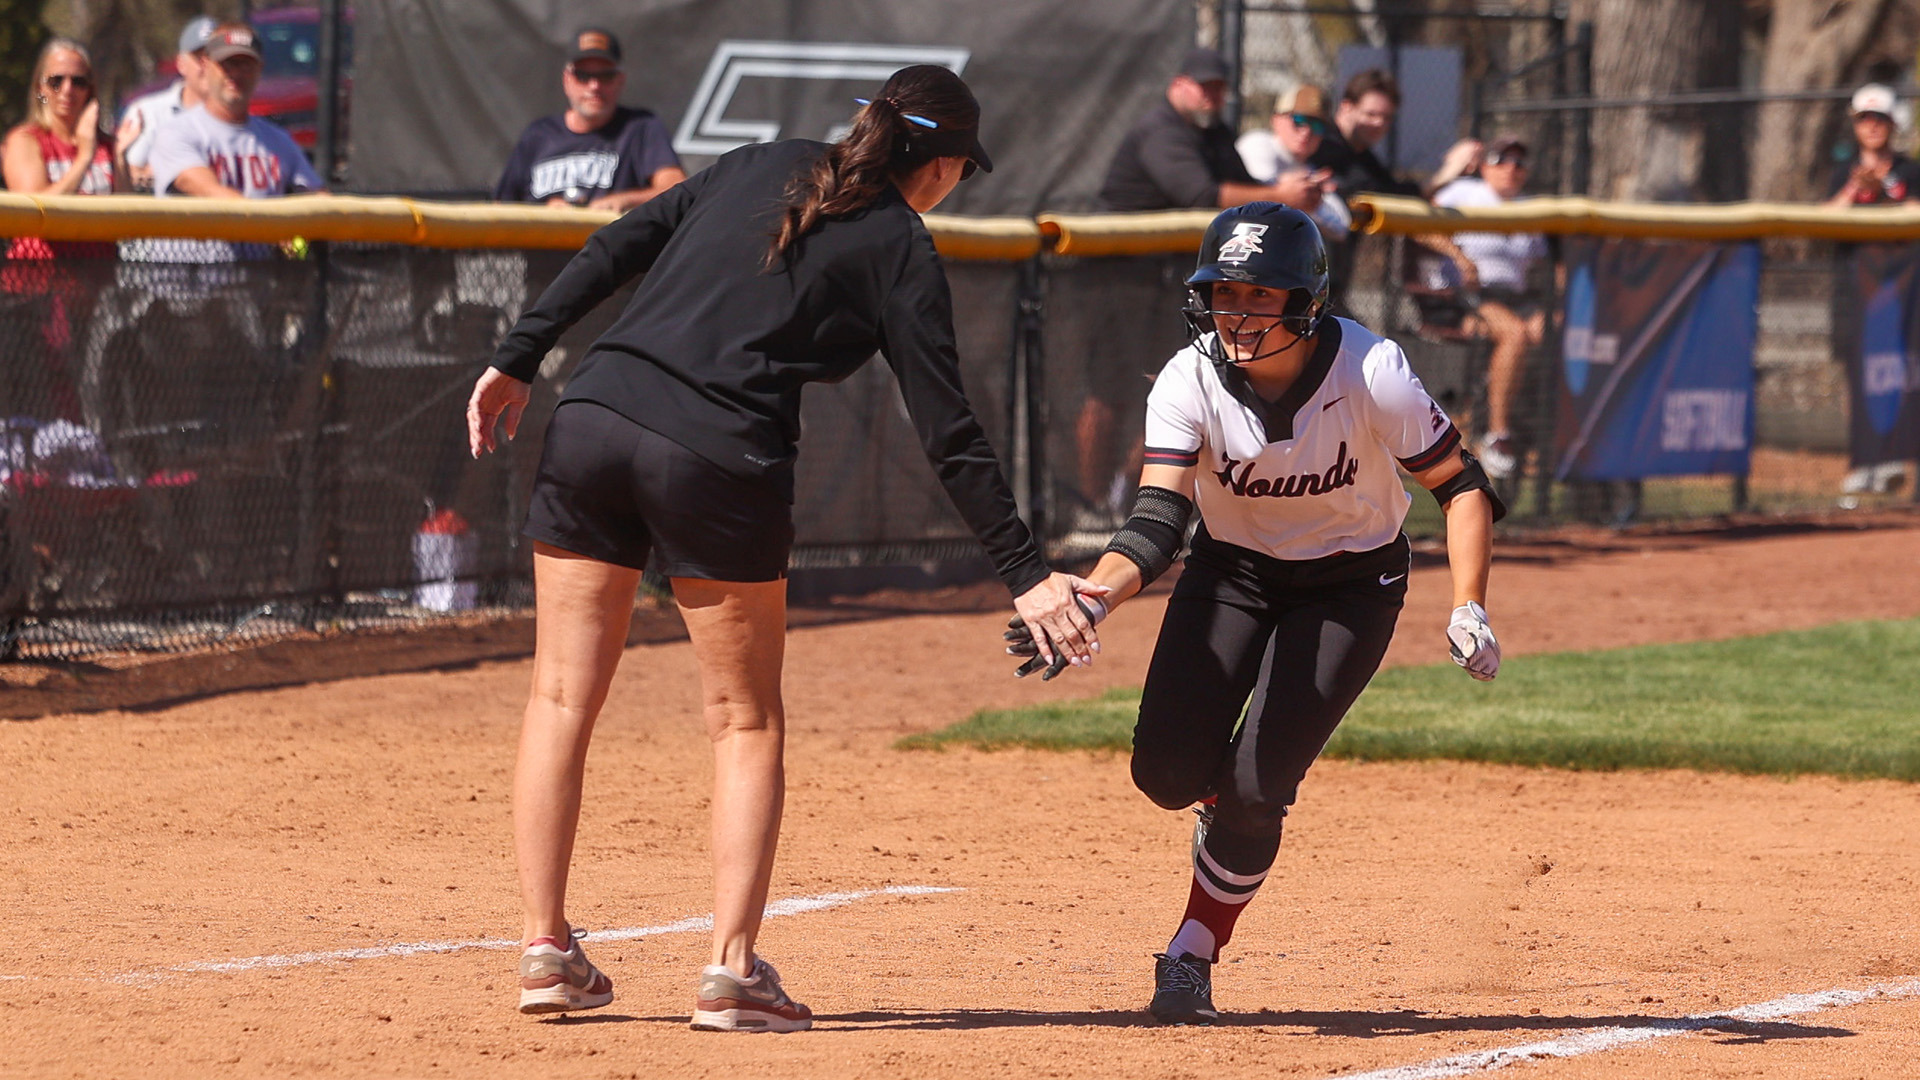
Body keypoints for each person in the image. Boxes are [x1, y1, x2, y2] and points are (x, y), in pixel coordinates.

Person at [466, 64, 1101, 1029]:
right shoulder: (901, 243)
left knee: (559, 693)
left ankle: (544, 950)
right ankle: (730, 970)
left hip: (593, 418)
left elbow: (617, 243)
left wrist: (518, 356)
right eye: (959, 169)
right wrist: (1024, 572)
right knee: (744, 721)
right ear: (934, 165)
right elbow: (949, 431)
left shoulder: (760, 163)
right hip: (717, 457)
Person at [1003, 203, 1502, 1025]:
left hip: (1351, 586)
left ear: (1307, 300)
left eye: (1260, 296)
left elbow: (1460, 483)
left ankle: (1191, 953)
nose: (1238, 315)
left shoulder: (1370, 369)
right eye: (1223, 294)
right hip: (1232, 573)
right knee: (1162, 776)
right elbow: (1159, 522)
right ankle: (1224, 814)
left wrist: (1469, 605)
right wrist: (1096, 595)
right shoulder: (1188, 376)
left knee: (1256, 786)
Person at [1419, 136, 1548, 477]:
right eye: (1501, 160)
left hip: (1517, 297)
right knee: (1515, 334)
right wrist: (1458, 256)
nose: (1511, 168)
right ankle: (1498, 434)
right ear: (1484, 166)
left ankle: (1539, 429)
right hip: (1466, 297)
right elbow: (1419, 227)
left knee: (1550, 329)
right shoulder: (1464, 193)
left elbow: (1548, 265)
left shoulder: (1530, 206)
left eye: (1519, 162)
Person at [1100, 47, 1327, 213]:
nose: (1213, 96)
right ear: (1178, 85)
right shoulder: (1159, 130)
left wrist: (1296, 190)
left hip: (1171, 254)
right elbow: (1201, 196)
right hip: (1123, 255)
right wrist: (1280, 196)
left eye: (1219, 88)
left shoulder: (1215, 130)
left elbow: (1244, 185)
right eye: (1205, 87)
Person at [494, 28, 686, 209]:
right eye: (583, 76)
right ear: (567, 80)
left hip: (610, 240)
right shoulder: (538, 134)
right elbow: (501, 207)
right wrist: (545, 212)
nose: (594, 86)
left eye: (606, 76)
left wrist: (625, 201)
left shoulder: (641, 127)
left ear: (620, 80)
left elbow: (676, 190)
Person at [1309, 68, 1481, 202]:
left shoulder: (1362, 154)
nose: (1379, 123)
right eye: (1371, 114)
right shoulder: (1324, 143)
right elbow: (1373, 194)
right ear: (1346, 107)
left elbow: (1390, 188)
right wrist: (1445, 175)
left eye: (1387, 117)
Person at [2, 37, 116, 205]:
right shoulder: (24, 141)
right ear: (40, 88)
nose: (67, 90)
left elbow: (130, 219)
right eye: (56, 81)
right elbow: (35, 212)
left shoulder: (106, 145)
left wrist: (119, 155)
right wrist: (84, 158)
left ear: (90, 89)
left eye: (78, 82)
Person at [1235, 84, 1350, 240]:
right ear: (1276, 119)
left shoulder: (1311, 171)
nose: (1307, 131)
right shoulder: (1259, 144)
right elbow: (1260, 204)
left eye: (1317, 125)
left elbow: (1341, 226)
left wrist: (1312, 197)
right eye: (1299, 120)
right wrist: (1299, 196)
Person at [114, 15, 214, 193]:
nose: (207, 66)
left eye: (214, 58)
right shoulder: (147, 112)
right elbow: (129, 174)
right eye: (199, 58)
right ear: (181, 64)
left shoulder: (237, 118)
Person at [1824, 84, 1920, 207]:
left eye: (1880, 118)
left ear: (1892, 123)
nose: (1872, 126)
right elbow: (1826, 216)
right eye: (1863, 119)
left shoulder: (1911, 170)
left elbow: (1914, 215)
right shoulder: (1843, 171)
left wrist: (1881, 191)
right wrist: (1854, 187)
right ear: (1855, 126)